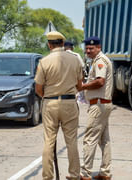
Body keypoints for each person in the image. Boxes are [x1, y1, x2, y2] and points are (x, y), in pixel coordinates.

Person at [35, 31, 83, 180]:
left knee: (49, 141)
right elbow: (79, 85)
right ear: (63, 43)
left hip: (50, 103)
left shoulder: (44, 61)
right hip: (69, 103)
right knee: (71, 141)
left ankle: (48, 177)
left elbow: (38, 88)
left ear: (49, 45)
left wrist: (48, 98)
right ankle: (74, 174)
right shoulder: (75, 60)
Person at [79, 36, 113, 180]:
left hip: (99, 105)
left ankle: (85, 173)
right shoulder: (97, 60)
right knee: (104, 140)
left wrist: (82, 86)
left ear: (98, 48)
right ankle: (105, 172)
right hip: (102, 104)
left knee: (89, 139)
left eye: (91, 48)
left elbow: (100, 81)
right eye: (86, 48)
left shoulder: (100, 61)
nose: (88, 50)